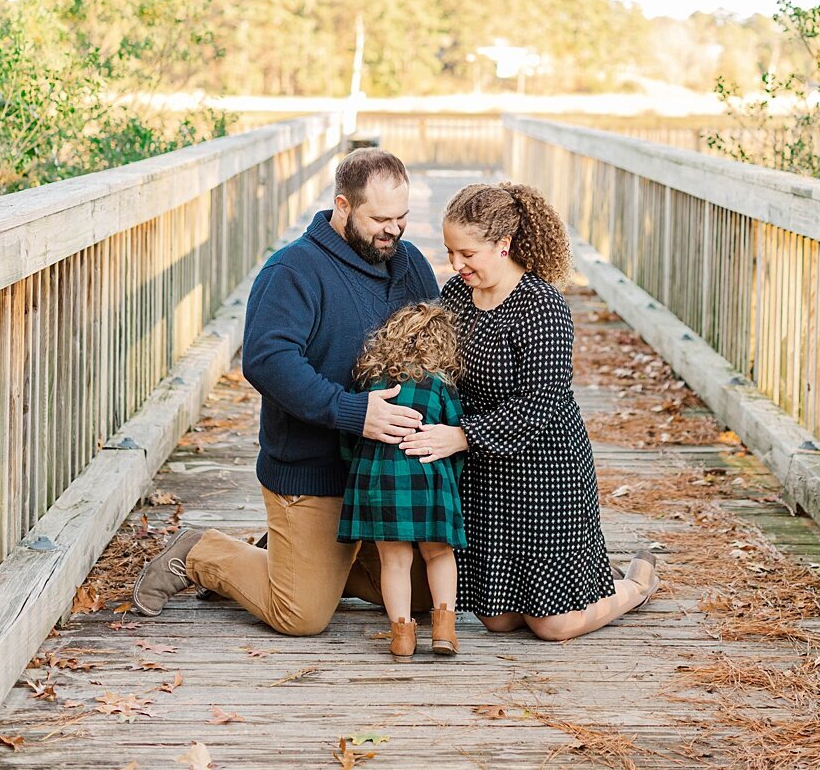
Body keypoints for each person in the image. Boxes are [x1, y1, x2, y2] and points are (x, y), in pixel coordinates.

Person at [132, 148, 439, 634]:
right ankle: (201, 550)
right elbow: (267, 360)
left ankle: (297, 558)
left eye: (402, 217)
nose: (394, 231)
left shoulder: (410, 264)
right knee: (301, 615)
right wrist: (353, 412)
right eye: (380, 218)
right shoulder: (294, 270)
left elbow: (435, 343)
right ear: (342, 206)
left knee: (423, 597)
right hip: (314, 471)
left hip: (385, 475)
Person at [399, 181, 658, 641]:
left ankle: (634, 586)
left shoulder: (543, 306)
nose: (455, 265)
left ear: (503, 245)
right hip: (488, 471)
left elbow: (543, 403)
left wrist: (461, 436)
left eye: (467, 254)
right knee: (496, 619)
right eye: (450, 251)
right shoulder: (458, 297)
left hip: (545, 469)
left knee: (552, 626)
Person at [338, 301, 466, 660]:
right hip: (429, 478)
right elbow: (456, 435)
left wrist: (360, 474)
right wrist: (449, 482)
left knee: (394, 562)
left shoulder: (368, 382)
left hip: (381, 481)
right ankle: (444, 631)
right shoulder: (440, 383)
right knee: (439, 553)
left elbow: (349, 437)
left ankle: (402, 637)